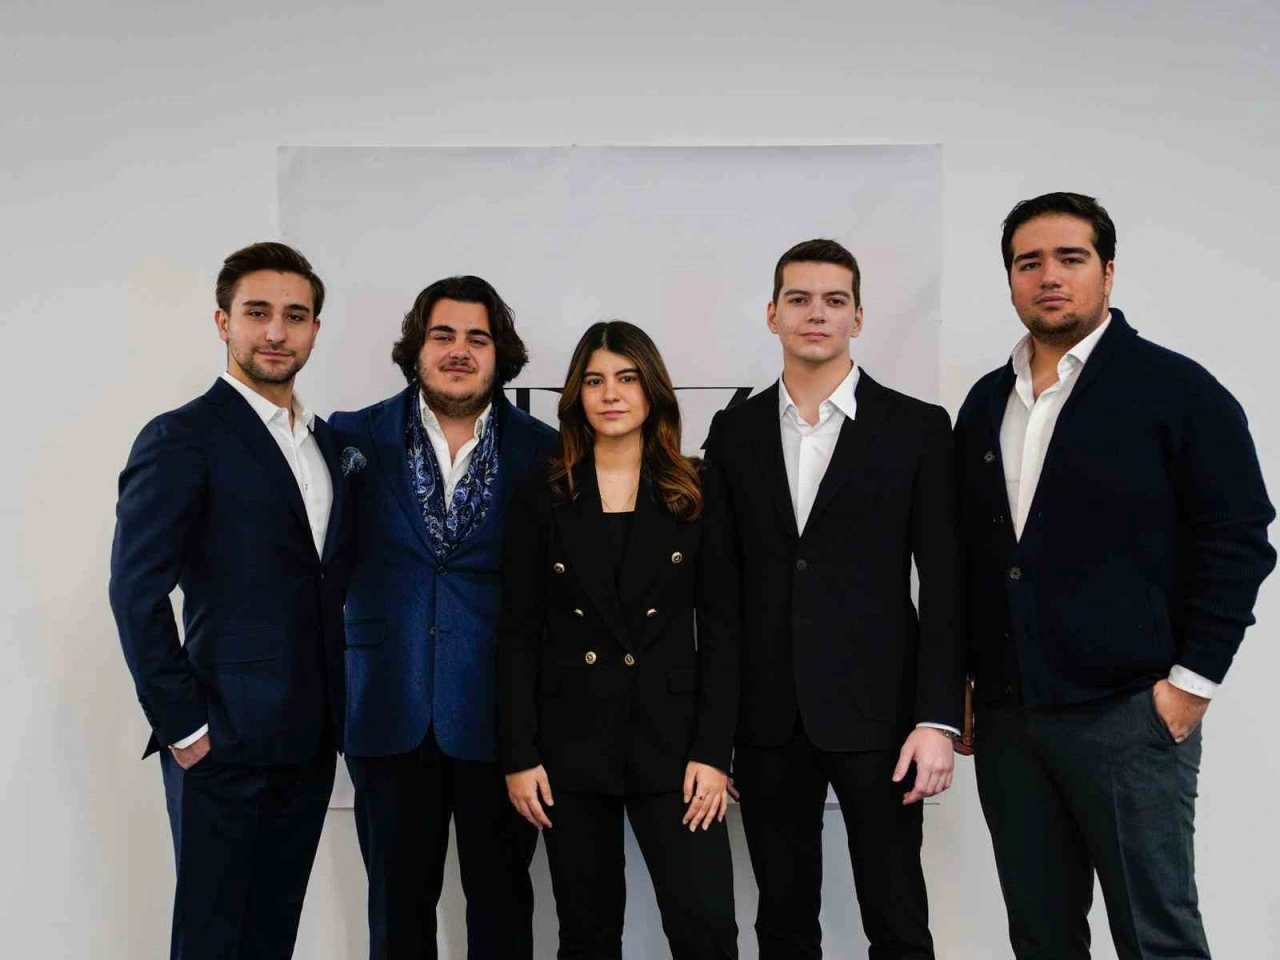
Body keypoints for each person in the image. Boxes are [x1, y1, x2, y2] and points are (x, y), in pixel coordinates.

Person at [954, 191, 1275, 958]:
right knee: (1041, 938)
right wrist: (962, 678)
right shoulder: (986, 402)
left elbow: (1239, 539)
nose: (1049, 276)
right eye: (1029, 262)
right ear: (1010, 279)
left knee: (1155, 937)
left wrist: (1191, 684)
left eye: (1071, 258)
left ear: (1107, 271)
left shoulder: (1176, 390)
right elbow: (969, 555)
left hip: (1129, 715)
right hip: (1009, 720)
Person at [703, 239, 961, 959]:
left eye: (834, 300)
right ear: (772, 314)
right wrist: (715, 735)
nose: (816, 313)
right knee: (782, 925)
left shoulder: (917, 427)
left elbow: (945, 582)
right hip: (767, 718)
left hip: (883, 717)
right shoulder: (734, 431)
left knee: (897, 920)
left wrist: (937, 718)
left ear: (858, 316)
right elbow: (720, 599)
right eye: (799, 299)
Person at [109, 242, 347, 959]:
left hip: (310, 741)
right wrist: (185, 728)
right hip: (221, 742)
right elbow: (135, 589)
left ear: (314, 330)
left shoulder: (327, 446)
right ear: (223, 322)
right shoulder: (182, 436)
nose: (276, 331)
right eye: (257, 313)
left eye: (295, 316)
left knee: (272, 938)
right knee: (212, 943)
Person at [330, 275, 556, 960]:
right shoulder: (351, 436)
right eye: (443, 335)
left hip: (500, 717)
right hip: (387, 705)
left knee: (502, 910)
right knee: (397, 915)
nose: (459, 350)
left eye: (477, 338)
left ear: (500, 354)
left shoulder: (543, 450)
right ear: (418, 347)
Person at [499, 320, 740, 960]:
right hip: (570, 745)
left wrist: (713, 752)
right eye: (595, 380)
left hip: (676, 749)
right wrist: (520, 754)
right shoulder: (542, 492)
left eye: (627, 378)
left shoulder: (696, 488)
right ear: (576, 395)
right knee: (587, 935)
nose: (611, 394)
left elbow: (723, 631)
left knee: (707, 930)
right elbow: (518, 633)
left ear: (652, 390)